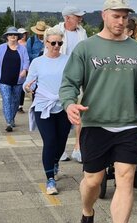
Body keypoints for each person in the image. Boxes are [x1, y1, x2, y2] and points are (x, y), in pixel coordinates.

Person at [59, 0, 137, 223]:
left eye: (124, 17)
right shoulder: (86, 48)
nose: (121, 21)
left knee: (125, 179)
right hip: (95, 124)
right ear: (104, 15)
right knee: (93, 181)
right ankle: (87, 211)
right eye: (116, 16)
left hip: (129, 125)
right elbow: (69, 84)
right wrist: (69, 104)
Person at [23, 27, 72, 195]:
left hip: (63, 106)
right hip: (43, 106)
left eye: (59, 42)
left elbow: (74, 80)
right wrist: (28, 87)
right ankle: (50, 179)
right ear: (45, 43)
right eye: (53, 43)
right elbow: (28, 83)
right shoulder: (37, 62)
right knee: (50, 141)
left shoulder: (68, 60)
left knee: (61, 142)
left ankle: (55, 162)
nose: (57, 46)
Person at [54, 5, 88, 162]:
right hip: (61, 78)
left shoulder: (82, 32)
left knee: (79, 113)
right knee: (61, 113)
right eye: (77, 16)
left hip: (81, 77)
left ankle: (77, 148)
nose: (80, 19)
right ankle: (59, 148)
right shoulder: (56, 32)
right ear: (67, 18)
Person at [0, 27, 29, 132]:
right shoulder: (1, 48)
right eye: (10, 35)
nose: (13, 36)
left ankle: (11, 117)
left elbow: (26, 61)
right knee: (6, 99)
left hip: (18, 80)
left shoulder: (22, 49)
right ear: (7, 37)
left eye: (15, 35)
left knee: (15, 101)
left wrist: (24, 70)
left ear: (18, 37)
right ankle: (9, 122)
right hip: (3, 79)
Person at [17, 27, 29, 113]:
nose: (23, 36)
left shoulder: (28, 44)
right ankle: (15, 104)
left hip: (24, 68)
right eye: (22, 34)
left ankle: (20, 105)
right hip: (15, 67)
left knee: (22, 87)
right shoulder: (15, 44)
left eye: (25, 34)